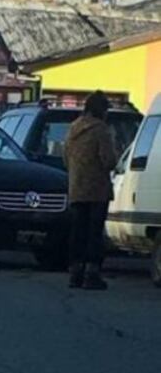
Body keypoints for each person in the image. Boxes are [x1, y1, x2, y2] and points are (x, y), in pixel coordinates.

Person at [63, 90, 118, 290]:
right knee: (94, 234)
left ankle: (74, 273)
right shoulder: (101, 130)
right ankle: (91, 273)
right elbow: (109, 161)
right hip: (97, 190)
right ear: (102, 111)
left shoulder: (73, 129)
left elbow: (65, 158)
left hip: (76, 187)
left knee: (78, 232)